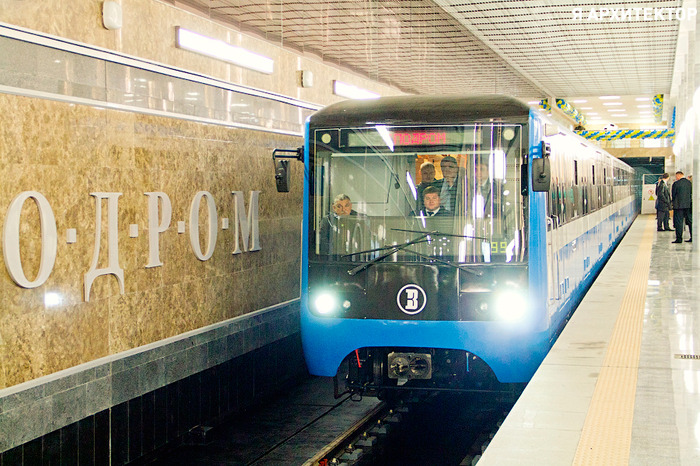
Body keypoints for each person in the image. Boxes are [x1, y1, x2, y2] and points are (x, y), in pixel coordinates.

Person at [671, 171, 692, 243]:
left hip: (678, 206)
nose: (676, 178)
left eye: (676, 176)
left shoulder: (676, 184)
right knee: (690, 221)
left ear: (678, 175)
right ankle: (692, 237)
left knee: (679, 223)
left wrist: (673, 202)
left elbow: (673, 195)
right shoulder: (689, 183)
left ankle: (679, 239)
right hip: (688, 206)